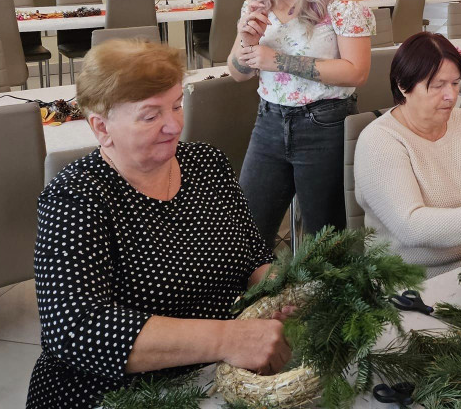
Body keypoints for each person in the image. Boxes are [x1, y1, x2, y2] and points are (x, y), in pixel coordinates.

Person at [26, 39, 291, 409]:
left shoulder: (207, 164)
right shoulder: (76, 197)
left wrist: (287, 294)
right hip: (114, 393)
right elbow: (74, 330)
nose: (174, 126)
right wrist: (228, 339)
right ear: (102, 127)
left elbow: (253, 258)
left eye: (177, 105)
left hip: (212, 377)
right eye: (150, 116)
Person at [228, 0, 373, 247]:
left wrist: (277, 61)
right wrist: (247, 40)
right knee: (246, 235)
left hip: (325, 124)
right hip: (269, 121)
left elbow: (356, 72)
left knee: (326, 245)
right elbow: (237, 72)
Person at [355, 32, 461, 276]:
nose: (451, 96)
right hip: (414, 281)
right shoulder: (379, 141)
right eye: (438, 85)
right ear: (403, 85)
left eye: (455, 83)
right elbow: (412, 227)